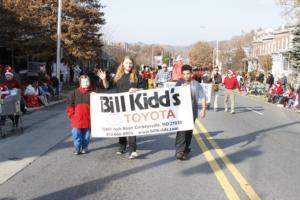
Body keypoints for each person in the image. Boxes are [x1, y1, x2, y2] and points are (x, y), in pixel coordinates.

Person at [66, 73, 108, 155]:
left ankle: (85, 147)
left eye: (87, 81)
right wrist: (72, 116)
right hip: (76, 119)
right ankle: (77, 148)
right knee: (76, 134)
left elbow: (104, 90)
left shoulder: (93, 93)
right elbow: (70, 107)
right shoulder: (74, 93)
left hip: (88, 119)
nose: (86, 83)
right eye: (84, 82)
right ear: (80, 83)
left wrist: (96, 96)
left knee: (86, 136)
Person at [111, 56, 143, 159]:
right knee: (122, 127)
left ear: (132, 64)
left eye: (130, 63)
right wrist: (103, 80)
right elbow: (106, 87)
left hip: (133, 105)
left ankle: (132, 150)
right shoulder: (118, 76)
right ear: (123, 64)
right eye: (126, 63)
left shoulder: (136, 75)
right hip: (120, 105)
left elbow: (144, 88)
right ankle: (122, 146)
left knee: (132, 127)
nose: (128, 65)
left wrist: (136, 89)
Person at [175, 65, 206, 160]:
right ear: (182, 74)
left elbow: (203, 96)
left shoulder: (196, 84)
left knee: (189, 131)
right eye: (184, 74)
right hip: (181, 112)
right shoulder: (179, 83)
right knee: (181, 131)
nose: (186, 76)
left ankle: (186, 147)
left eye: (188, 73)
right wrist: (180, 89)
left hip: (192, 112)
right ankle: (179, 151)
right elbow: (173, 96)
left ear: (191, 74)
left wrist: (203, 109)